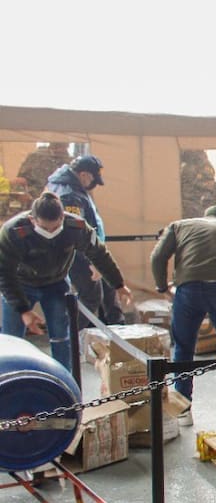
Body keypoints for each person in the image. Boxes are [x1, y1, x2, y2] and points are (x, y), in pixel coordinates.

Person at [0, 192, 133, 370]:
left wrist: (118, 284)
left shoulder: (76, 227)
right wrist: (23, 310)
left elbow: (99, 254)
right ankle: (9, 380)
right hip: (20, 284)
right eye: (45, 229)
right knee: (12, 339)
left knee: (61, 337)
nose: (51, 233)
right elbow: (4, 274)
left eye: (55, 227)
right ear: (33, 220)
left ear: (62, 217)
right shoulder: (14, 232)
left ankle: (65, 382)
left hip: (56, 284)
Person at [150, 204, 216, 423]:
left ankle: (183, 410)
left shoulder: (179, 226)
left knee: (184, 349)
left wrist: (162, 288)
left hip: (189, 289)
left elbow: (157, 257)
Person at [45, 154, 125, 325]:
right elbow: (75, 232)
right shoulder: (70, 195)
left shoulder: (70, 188)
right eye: (93, 180)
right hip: (81, 254)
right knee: (91, 296)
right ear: (83, 175)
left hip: (91, 250)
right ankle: (74, 338)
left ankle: (119, 332)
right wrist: (91, 261)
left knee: (108, 289)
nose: (93, 185)